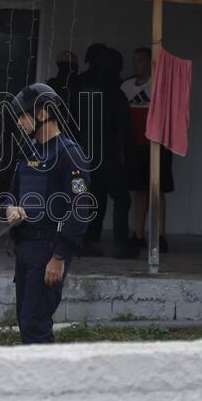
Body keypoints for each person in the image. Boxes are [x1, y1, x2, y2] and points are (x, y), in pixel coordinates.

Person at [2, 83, 92, 344]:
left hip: (48, 250)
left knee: (35, 323)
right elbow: (11, 193)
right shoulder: (28, 150)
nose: (19, 123)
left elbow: (81, 208)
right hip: (25, 247)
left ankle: (45, 371)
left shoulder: (69, 154)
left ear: (42, 114)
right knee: (26, 321)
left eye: (22, 116)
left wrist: (60, 257)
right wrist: (11, 208)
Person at [78, 45, 132, 257]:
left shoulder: (81, 88)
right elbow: (125, 127)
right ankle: (121, 244)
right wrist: (130, 154)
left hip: (84, 153)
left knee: (94, 198)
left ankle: (88, 240)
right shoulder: (115, 92)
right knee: (122, 199)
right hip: (108, 153)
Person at [120, 47, 173, 254]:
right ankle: (138, 234)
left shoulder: (159, 86)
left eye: (140, 61)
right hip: (135, 147)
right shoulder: (126, 86)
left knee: (157, 190)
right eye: (134, 61)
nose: (136, 65)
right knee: (139, 190)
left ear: (151, 63)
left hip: (157, 146)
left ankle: (160, 235)